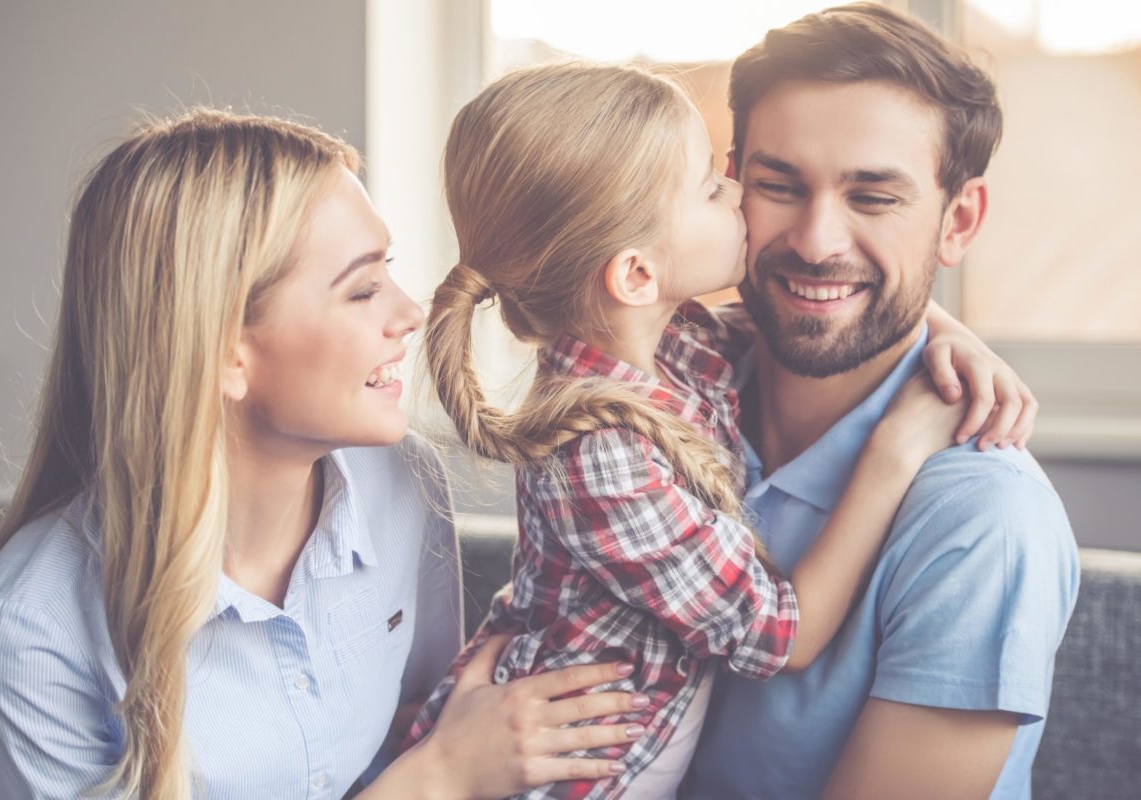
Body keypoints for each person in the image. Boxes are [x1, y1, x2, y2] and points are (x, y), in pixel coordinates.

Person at [0, 109, 649, 800]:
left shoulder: (404, 482)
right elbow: (434, 763)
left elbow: (419, 720)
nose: (411, 312)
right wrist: (442, 778)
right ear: (226, 352)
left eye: (390, 271)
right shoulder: (29, 633)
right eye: (363, 288)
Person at [402, 62, 1037, 799]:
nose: (738, 195)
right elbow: (778, 636)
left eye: (871, 196)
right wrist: (896, 449)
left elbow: (824, 307)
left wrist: (949, 333)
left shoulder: (675, 347)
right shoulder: (600, 453)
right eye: (714, 186)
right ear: (637, 275)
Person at [681, 6, 1080, 798]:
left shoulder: (984, 520)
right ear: (730, 191)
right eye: (780, 185)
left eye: (874, 198)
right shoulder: (669, 398)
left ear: (957, 221)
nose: (817, 238)